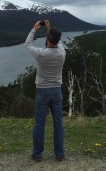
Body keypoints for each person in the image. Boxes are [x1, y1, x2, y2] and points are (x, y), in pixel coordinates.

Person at [24, 20, 66, 162]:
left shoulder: (41, 54)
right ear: (58, 40)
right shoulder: (62, 53)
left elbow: (28, 44)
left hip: (41, 91)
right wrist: (49, 29)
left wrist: (34, 29)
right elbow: (57, 43)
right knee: (58, 122)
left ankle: (37, 154)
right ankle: (59, 154)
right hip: (56, 91)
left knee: (40, 123)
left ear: (47, 39)